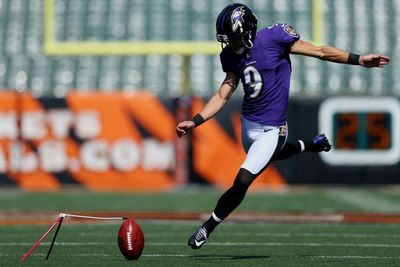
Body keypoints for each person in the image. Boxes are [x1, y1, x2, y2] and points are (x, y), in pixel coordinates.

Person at [176, 3, 390, 249]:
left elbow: (320, 51)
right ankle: (309, 145)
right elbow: (222, 95)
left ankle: (207, 227)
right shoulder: (230, 57)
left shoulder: (274, 37)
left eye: (234, 39)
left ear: (247, 31)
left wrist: (358, 59)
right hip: (248, 125)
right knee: (269, 156)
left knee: (244, 179)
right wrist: (195, 120)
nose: (230, 45)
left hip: (272, 129)